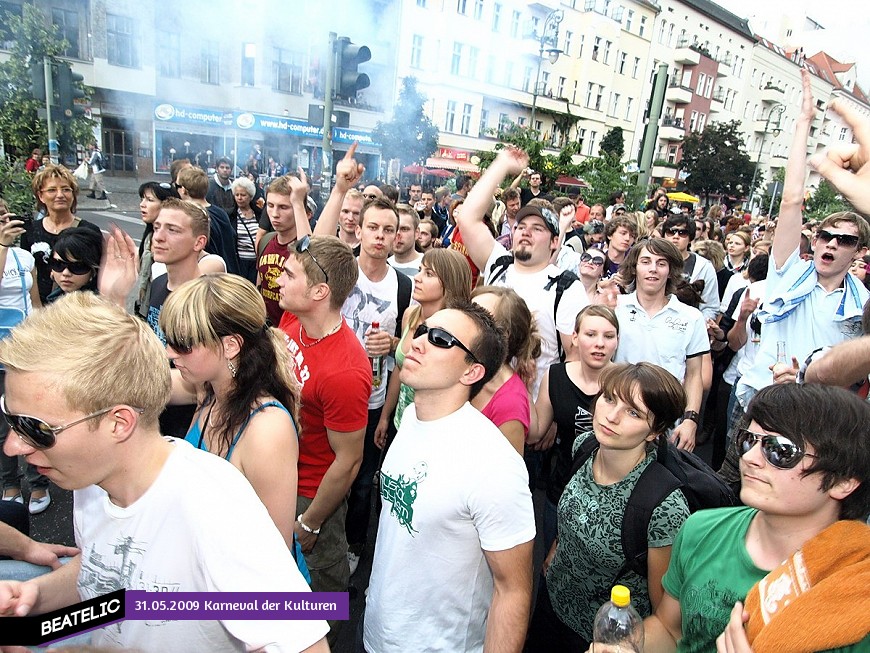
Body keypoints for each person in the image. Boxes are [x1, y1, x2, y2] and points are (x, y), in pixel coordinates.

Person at [0, 292, 329, 652]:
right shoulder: (91, 478)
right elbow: (112, 575)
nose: (12, 447)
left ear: (119, 423)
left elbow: (303, 638)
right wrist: (34, 596)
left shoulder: (215, 505)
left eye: (35, 428)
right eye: (9, 418)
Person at [628, 383, 870, 653]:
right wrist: (622, 647)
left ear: (843, 481)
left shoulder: (857, 594)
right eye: (747, 441)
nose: (751, 458)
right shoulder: (701, 530)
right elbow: (669, 629)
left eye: (780, 449)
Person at [364, 302, 536, 653]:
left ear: (472, 372)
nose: (418, 342)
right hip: (376, 634)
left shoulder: (494, 464)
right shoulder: (411, 416)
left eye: (441, 339)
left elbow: (513, 591)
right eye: (423, 331)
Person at [724, 70, 870, 483]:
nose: (830, 244)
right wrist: (803, 121)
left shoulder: (861, 304)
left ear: (858, 252)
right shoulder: (789, 273)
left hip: (815, 421)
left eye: (844, 240)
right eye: (824, 235)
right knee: (731, 496)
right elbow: (791, 199)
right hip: (758, 402)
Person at [526, 363, 690, 652]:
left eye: (633, 412)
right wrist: (558, 547)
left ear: (655, 431)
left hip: (600, 639)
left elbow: (665, 620)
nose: (611, 416)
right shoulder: (584, 446)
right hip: (550, 606)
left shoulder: (664, 507)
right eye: (610, 398)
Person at [160, 274, 303, 562]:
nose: (170, 353)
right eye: (169, 340)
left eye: (183, 344)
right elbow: (132, 387)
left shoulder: (267, 430)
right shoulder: (208, 387)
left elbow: (273, 553)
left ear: (230, 346)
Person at [276, 234, 370, 634]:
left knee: (321, 588)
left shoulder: (346, 371)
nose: (279, 277)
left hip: (312, 492)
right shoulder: (291, 320)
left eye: (290, 273)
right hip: (276, 473)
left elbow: (349, 462)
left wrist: (312, 522)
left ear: (319, 291)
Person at [455, 147, 588, 399]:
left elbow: (574, 357)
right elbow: (468, 217)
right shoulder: (497, 264)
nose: (525, 232)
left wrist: (552, 414)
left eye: (537, 228)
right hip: (479, 397)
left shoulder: (567, 287)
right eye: (521, 226)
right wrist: (502, 164)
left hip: (533, 407)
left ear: (554, 242)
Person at [531, 305, 619, 551]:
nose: (599, 343)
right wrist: (520, 380)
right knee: (550, 572)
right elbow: (536, 432)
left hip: (607, 497)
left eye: (608, 336)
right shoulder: (556, 375)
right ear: (576, 337)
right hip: (561, 489)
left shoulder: (627, 383)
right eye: (591, 334)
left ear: (617, 341)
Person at [612, 238, 709, 451]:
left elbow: (694, 375)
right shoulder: (614, 308)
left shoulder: (691, 317)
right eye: (646, 261)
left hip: (668, 424)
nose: (653, 269)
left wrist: (690, 420)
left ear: (670, 271)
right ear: (634, 268)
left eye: (661, 263)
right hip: (619, 415)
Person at [375, 247, 472, 449]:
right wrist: (385, 416)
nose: (417, 278)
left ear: (449, 283)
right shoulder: (410, 315)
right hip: (400, 423)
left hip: (431, 433)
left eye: (428, 274)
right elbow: (401, 369)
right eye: (420, 270)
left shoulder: (456, 332)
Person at [0, 209, 44, 515]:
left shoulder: (23, 257)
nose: (5, 222)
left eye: (6, 216)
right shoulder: (5, 252)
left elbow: (36, 300)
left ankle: (37, 481)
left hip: (24, 351)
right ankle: (9, 482)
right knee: (1, 427)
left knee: (30, 416)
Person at [470, 286, 541, 455]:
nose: (463, 320)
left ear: (503, 334)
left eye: (478, 318)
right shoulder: (461, 366)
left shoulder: (509, 402)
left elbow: (507, 476)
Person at [21, 165, 101, 304]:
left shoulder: (88, 230)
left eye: (66, 189)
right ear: (41, 195)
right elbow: (26, 273)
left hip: (80, 307)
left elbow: (98, 274)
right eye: (52, 190)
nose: (60, 195)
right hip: (40, 306)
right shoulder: (31, 231)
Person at [255, 173, 312, 325]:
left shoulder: (304, 245)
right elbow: (260, 283)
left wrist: (298, 202)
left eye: (284, 207)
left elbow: (310, 253)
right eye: (270, 205)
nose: (274, 214)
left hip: (295, 329)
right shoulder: (265, 241)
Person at [175, 166, 240, 276]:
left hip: (208, 279)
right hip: (228, 276)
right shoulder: (220, 213)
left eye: (176, 186)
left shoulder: (192, 218)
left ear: (183, 190)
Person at [131, 181, 178, 317]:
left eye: (150, 200)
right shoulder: (149, 237)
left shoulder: (177, 241)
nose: (142, 204)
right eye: (142, 199)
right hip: (146, 308)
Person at [45, 227, 103, 302]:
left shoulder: (97, 308)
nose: (66, 273)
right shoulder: (54, 299)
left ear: (93, 271)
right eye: (58, 264)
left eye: (77, 267)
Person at [228, 175, 261, 283]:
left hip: (256, 263)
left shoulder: (259, 214)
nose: (239, 198)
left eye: (243, 195)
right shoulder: (230, 215)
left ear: (250, 196)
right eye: (237, 195)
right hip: (239, 264)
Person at [387, 204, 424, 277]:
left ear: (416, 233)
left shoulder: (428, 266)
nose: (398, 234)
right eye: (392, 229)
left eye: (404, 229)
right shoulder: (383, 265)